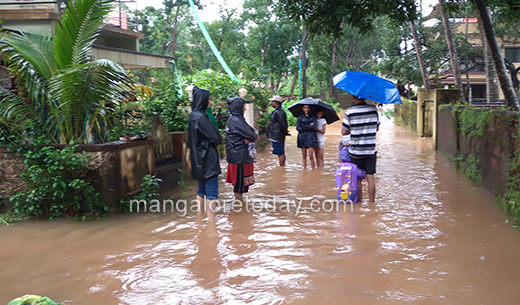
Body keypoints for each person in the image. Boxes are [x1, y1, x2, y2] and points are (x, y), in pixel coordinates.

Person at [188, 86, 222, 223]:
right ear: (203, 100)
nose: (210, 102)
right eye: (208, 99)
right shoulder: (202, 117)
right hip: (208, 160)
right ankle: (211, 223)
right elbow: (216, 138)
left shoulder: (193, 116)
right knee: (212, 193)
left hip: (197, 159)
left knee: (201, 190)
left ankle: (199, 218)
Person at [341, 96, 380, 203]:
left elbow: (344, 132)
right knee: (370, 178)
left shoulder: (350, 112)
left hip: (355, 152)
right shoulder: (373, 110)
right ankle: (372, 204)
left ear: (353, 97)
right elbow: (377, 128)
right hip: (370, 150)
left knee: (358, 179)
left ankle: (359, 203)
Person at [225, 97, 258, 204]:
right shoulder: (237, 120)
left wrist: (251, 136)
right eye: (243, 107)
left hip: (236, 155)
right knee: (239, 185)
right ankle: (240, 207)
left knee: (240, 184)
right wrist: (251, 136)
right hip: (238, 156)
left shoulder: (235, 119)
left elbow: (252, 133)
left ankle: (240, 206)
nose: (245, 109)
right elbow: (253, 134)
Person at [266, 95, 290, 166]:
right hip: (278, 134)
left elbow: (282, 124)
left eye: (272, 102)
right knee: (280, 152)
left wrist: (285, 132)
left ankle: (282, 167)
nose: (271, 103)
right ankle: (282, 166)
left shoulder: (278, 112)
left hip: (278, 135)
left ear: (277, 103)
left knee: (280, 153)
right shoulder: (278, 111)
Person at [297, 104, 318, 170]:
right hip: (302, 137)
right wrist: (308, 125)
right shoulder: (300, 117)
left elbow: (314, 127)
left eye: (308, 108)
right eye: (305, 108)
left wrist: (303, 126)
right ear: (302, 108)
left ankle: (313, 169)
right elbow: (298, 128)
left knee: (311, 156)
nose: (306, 109)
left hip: (310, 137)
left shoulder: (313, 117)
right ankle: (304, 168)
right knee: (304, 156)